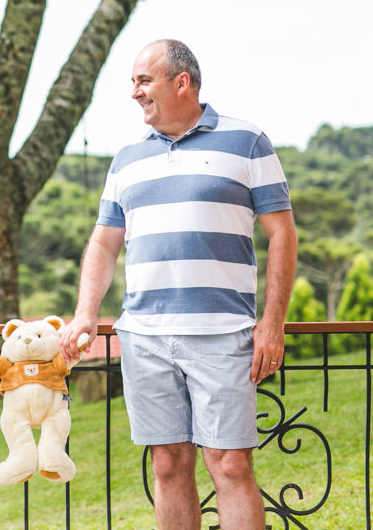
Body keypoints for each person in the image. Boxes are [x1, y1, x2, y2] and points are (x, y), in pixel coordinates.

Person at [60, 40, 297, 530]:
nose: (134, 92)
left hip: (223, 332)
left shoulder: (247, 140)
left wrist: (272, 324)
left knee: (230, 465)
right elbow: (104, 244)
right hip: (144, 338)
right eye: (132, 82)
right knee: (167, 465)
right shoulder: (126, 159)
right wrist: (86, 312)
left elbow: (282, 234)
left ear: (181, 82)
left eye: (143, 81)